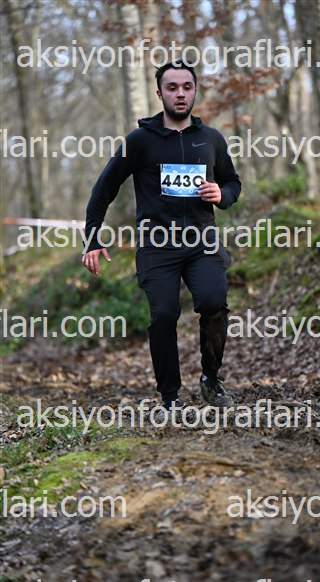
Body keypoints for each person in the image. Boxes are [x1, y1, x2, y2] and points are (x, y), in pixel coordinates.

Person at [82, 60, 241, 409]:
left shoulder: (211, 139)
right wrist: (92, 237)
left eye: (187, 87)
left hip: (201, 242)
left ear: (195, 91)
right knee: (165, 314)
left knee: (214, 303)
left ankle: (211, 378)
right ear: (159, 93)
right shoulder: (140, 141)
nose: (180, 93)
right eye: (172, 87)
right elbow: (104, 187)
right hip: (157, 246)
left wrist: (222, 194)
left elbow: (232, 182)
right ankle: (170, 396)